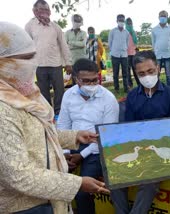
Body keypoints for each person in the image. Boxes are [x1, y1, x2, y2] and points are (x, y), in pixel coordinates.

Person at [0, 21, 108, 214]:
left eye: (34, 55)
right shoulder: (3, 109)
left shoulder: (25, 90)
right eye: (26, 58)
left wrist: (73, 137)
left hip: (48, 194)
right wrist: (77, 183)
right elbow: (18, 175)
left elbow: (39, 133)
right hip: (22, 206)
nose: (33, 63)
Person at [110, 50, 170, 214]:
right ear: (136, 74)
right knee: (115, 179)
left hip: (161, 148)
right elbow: (128, 127)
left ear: (158, 68)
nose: (147, 76)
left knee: (149, 182)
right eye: (141, 73)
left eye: (150, 71)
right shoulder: (133, 96)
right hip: (138, 147)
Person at [57, 58, 119, 214]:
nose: (91, 85)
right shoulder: (68, 95)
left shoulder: (108, 99)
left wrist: (81, 156)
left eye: (94, 80)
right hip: (71, 144)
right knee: (54, 184)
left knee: (82, 192)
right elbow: (63, 126)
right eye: (86, 81)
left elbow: (106, 136)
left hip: (96, 150)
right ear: (75, 79)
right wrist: (64, 154)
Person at [25, 0, 73, 118]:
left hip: (56, 64)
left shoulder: (55, 26)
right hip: (39, 65)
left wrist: (68, 63)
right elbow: (26, 45)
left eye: (47, 9)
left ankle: (59, 112)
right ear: (35, 11)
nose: (45, 12)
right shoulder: (30, 26)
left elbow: (63, 45)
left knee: (59, 90)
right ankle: (48, 114)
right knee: (43, 91)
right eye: (42, 9)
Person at [152, 10, 170, 87]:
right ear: (158, 17)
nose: (163, 18)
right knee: (156, 74)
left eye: (164, 16)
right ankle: (157, 89)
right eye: (161, 16)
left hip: (168, 54)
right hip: (158, 55)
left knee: (168, 75)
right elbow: (153, 42)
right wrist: (154, 52)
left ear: (167, 18)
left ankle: (169, 89)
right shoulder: (154, 29)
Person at [109, 14, 130, 93]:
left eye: (122, 20)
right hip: (115, 55)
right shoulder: (112, 31)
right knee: (115, 73)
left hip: (124, 55)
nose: (121, 22)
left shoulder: (126, 32)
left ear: (124, 21)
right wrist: (113, 51)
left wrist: (124, 49)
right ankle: (116, 88)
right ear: (117, 21)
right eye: (120, 20)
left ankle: (126, 88)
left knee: (125, 72)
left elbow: (127, 43)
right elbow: (110, 43)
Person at [126, 17, 140, 87]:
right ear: (126, 24)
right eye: (128, 23)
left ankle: (139, 83)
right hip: (126, 54)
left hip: (134, 53)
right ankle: (129, 84)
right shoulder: (124, 32)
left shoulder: (134, 32)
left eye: (130, 23)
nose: (129, 24)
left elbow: (136, 42)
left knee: (135, 69)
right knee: (127, 71)